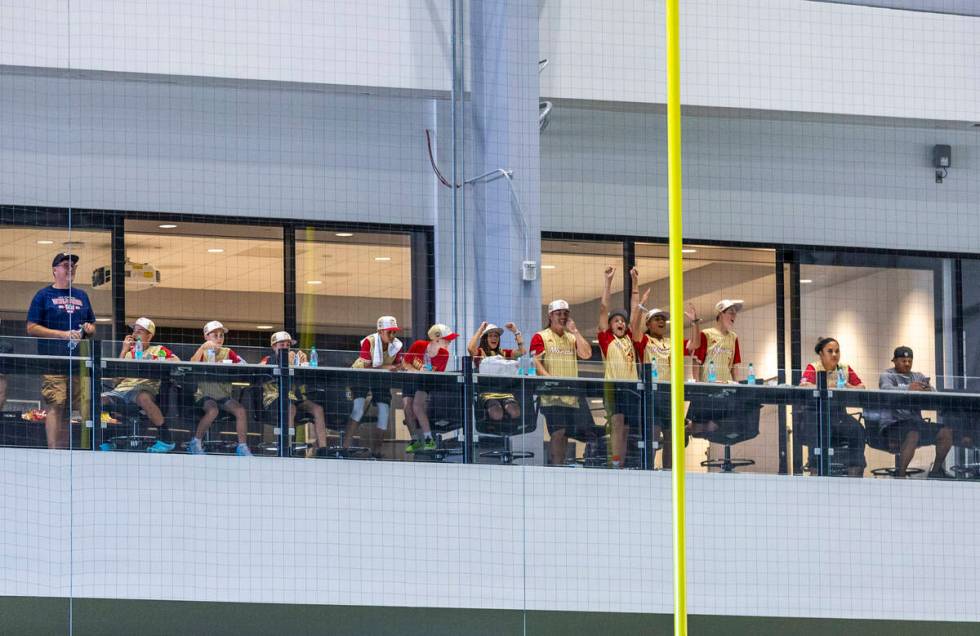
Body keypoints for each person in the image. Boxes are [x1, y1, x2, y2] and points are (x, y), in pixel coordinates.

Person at [26, 252, 97, 449]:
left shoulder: (82, 296)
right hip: (53, 360)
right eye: (66, 265)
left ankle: (66, 450)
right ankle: (53, 451)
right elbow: (31, 327)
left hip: (78, 362)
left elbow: (91, 325)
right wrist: (61, 334)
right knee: (55, 403)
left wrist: (89, 330)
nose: (70, 268)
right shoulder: (43, 295)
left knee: (74, 407)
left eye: (73, 265)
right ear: (54, 270)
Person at [632, 293, 700, 468]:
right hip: (652, 395)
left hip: (670, 396)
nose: (661, 321)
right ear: (648, 323)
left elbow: (694, 345)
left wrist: (694, 323)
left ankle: (669, 473)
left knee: (672, 438)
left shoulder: (672, 342)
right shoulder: (644, 340)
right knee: (653, 436)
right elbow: (634, 331)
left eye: (663, 319)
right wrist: (640, 307)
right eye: (656, 318)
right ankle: (648, 470)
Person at [529, 299, 593, 465]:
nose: (563, 317)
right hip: (551, 395)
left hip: (571, 395)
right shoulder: (541, 336)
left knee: (566, 433)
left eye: (565, 313)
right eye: (559, 314)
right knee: (558, 432)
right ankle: (556, 465)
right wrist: (550, 379)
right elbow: (535, 361)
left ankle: (561, 464)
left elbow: (586, 354)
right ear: (550, 316)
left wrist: (576, 331)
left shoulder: (571, 338)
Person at [101, 317, 179, 453]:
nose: (135, 335)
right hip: (122, 390)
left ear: (149, 335)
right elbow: (115, 380)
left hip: (143, 390)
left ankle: (166, 439)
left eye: (140, 332)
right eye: (134, 331)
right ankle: (104, 439)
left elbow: (176, 361)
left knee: (143, 398)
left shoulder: (158, 350)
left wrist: (155, 361)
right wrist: (124, 350)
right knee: (100, 399)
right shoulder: (129, 353)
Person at [878, 346, 952, 478]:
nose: (907, 364)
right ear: (894, 361)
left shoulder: (918, 376)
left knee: (946, 432)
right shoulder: (887, 375)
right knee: (912, 433)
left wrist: (928, 390)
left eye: (909, 361)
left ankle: (935, 472)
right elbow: (886, 391)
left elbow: (936, 395)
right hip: (893, 424)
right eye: (903, 360)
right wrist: (909, 388)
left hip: (916, 423)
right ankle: (900, 477)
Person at [799, 337, 866, 477]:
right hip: (816, 414)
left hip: (839, 415)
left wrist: (849, 386)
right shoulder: (813, 367)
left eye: (837, 351)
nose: (834, 355)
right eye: (830, 351)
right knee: (818, 431)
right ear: (821, 354)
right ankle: (815, 471)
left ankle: (855, 472)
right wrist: (830, 386)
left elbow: (862, 387)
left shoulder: (845, 368)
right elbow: (804, 385)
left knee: (858, 430)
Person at [597, 266, 641, 468]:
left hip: (631, 386)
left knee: (625, 428)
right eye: (616, 320)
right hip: (613, 385)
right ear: (610, 325)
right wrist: (608, 281)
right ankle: (614, 462)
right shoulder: (607, 338)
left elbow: (635, 308)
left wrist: (635, 282)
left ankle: (620, 463)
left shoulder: (630, 337)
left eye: (622, 320)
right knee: (616, 422)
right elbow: (603, 307)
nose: (620, 323)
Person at [187, 320, 251, 456]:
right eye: (214, 335)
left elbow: (243, 364)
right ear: (206, 337)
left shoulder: (228, 352)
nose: (219, 338)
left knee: (240, 410)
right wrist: (202, 348)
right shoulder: (202, 351)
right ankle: (196, 442)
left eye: (221, 335)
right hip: (205, 394)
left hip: (224, 396)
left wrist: (228, 364)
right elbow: (191, 364)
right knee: (213, 410)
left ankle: (242, 446)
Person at [260, 331, 328, 456]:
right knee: (289, 407)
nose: (285, 347)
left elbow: (303, 380)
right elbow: (259, 373)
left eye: (288, 345)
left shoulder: (294, 358)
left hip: (295, 397)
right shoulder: (268, 359)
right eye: (282, 345)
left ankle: (323, 449)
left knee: (317, 409)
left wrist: (303, 365)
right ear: (274, 346)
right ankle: (288, 447)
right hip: (274, 398)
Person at [345, 316, 404, 456]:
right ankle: (345, 447)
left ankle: (377, 450)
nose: (392, 335)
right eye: (389, 332)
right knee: (358, 409)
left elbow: (399, 364)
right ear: (380, 331)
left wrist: (394, 367)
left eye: (394, 332)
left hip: (380, 379)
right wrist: (389, 366)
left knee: (384, 411)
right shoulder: (368, 341)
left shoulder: (397, 345)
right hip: (360, 376)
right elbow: (367, 366)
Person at [401, 323, 457, 453]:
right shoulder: (419, 345)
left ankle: (428, 439)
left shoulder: (444, 354)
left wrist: (425, 371)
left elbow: (438, 375)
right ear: (437, 338)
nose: (449, 341)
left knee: (417, 405)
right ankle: (414, 440)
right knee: (407, 408)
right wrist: (416, 370)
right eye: (447, 339)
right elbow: (405, 362)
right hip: (410, 379)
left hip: (425, 381)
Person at [466, 320, 526, 424]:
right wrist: (480, 330)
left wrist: (515, 331)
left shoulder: (502, 352)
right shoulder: (480, 352)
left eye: (496, 336)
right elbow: (470, 348)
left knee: (515, 411)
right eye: (490, 336)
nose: (494, 338)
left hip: (505, 392)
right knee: (496, 413)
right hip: (487, 393)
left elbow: (522, 352)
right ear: (485, 338)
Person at [692, 299, 742, 383]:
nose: (734, 315)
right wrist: (697, 385)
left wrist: (737, 386)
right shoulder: (706, 334)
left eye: (735, 313)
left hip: (728, 385)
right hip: (708, 385)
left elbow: (734, 366)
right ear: (721, 314)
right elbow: (696, 362)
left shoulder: (734, 337)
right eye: (731, 312)